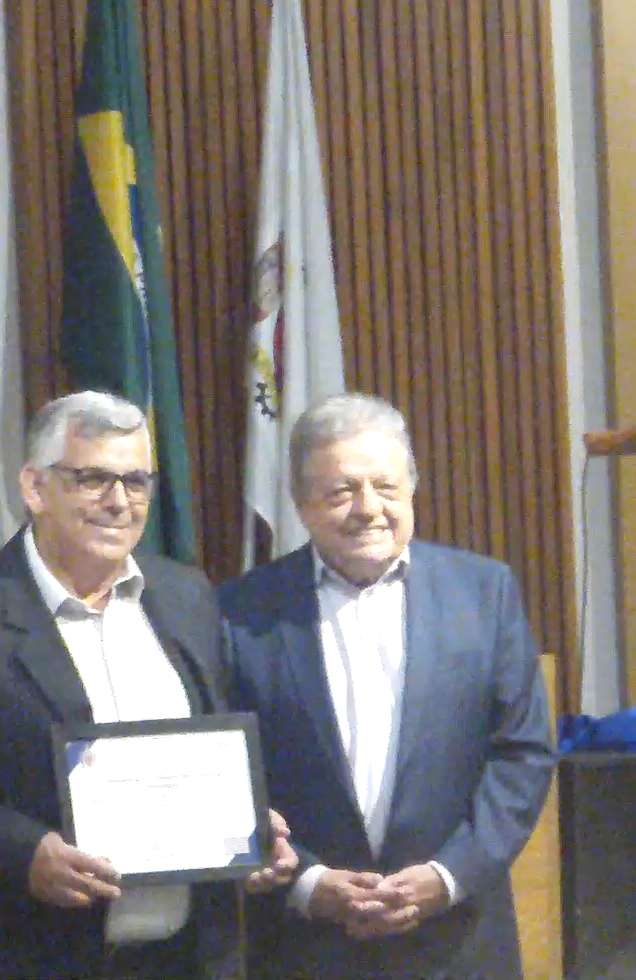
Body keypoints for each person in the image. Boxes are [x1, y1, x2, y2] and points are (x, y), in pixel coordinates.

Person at [0, 391, 297, 980]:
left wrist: (249, 828)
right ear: (35, 487)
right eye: (93, 479)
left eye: (136, 481)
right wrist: (21, 854)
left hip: (187, 960)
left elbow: (217, 752)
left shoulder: (186, 595)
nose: (119, 502)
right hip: (30, 957)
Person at [218, 392, 555, 979]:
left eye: (386, 487)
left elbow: (522, 754)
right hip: (306, 947)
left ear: (413, 489)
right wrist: (308, 881)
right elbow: (224, 768)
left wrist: (449, 876)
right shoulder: (240, 611)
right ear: (300, 502)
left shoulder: (484, 593)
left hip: (458, 942)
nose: (368, 508)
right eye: (342, 491)